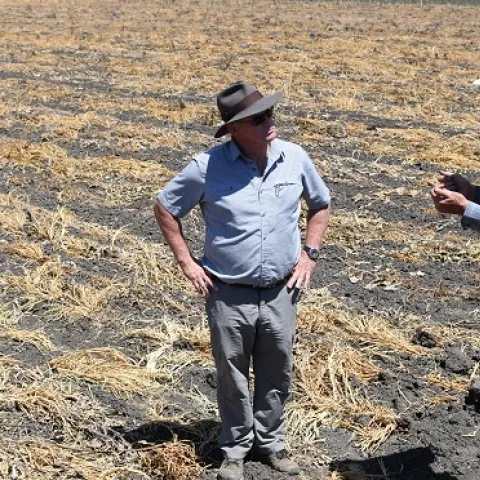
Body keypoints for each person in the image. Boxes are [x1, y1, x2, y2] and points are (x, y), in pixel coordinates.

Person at [154, 81, 330, 480]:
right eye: (258, 118)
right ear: (234, 129)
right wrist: (187, 263)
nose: (270, 122)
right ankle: (234, 448)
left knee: (277, 369)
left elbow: (321, 205)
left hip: (282, 289)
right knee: (231, 373)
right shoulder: (207, 166)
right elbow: (165, 207)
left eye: (269, 114)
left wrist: (309, 255)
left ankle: (271, 442)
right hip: (227, 291)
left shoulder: (295, 158)